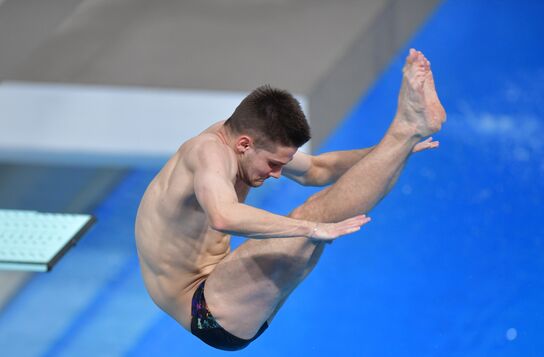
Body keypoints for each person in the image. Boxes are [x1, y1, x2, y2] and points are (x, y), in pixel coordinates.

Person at [135, 48, 446, 351]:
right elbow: (223, 216)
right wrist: (309, 228)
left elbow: (317, 169)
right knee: (311, 219)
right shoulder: (207, 153)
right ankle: (406, 129)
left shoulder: (245, 144)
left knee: (313, 220)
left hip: (224, 285)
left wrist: (385, 154)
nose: (277, 174)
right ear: (245, 143)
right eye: (272, 164)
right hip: (204, 309)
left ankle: (405, 136)